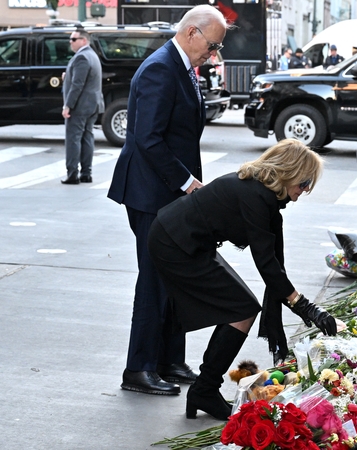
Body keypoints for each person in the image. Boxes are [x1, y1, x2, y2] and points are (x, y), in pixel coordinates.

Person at [147, 139, 337, 420]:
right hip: (174, 242)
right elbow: (266, 263)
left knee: (241, 307)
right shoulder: (256, 196)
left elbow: (273, 262)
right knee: (242, 308)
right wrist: (305, 306)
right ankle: (205, 389)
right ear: (290, 173)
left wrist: (300, 303)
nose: (303, 192)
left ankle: (204, 388)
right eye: (304, 184)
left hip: (184, 239)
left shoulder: (263, 194)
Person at [107, 4, 228, 396]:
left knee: (175, 274)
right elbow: (148, 138)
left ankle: (169, 360)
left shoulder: (183, 66)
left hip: (168, 191)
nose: (213, 55)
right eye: (211, 46)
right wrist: (189, 183)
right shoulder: (161, 67)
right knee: (155, 278)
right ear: (192, 32)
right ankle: (138, 368)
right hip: (150, 191)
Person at [61, 28, 104, 185]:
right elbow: (83, 78)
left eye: (73, 39)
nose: (70, 42)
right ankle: (86, 173)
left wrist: (68, 105)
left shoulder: (82, 58)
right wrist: (67, 76)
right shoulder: (92, 55)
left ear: (83, 40)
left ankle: (72, 174)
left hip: (80, 106)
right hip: (93, 105)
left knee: (74, 139)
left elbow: (77, 85)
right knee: (87, 137)